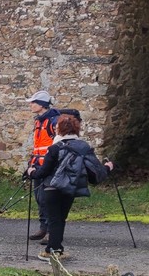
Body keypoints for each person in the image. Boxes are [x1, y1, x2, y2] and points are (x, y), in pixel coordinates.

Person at [25, 113, 113, 262]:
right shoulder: (83, 147)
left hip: (51, 188)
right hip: (70, 188)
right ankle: (57, 249)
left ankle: (52, 251)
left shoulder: (54, 148)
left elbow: (43, 172)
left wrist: (31, 172)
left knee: (54, 219)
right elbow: (95, 172)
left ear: (58, 129)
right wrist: (108, 167)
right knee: (61, 219)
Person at [25, 89, 62, 242]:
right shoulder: (39, 121)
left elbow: (59, 144)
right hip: (38, 166)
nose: (31, 105)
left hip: (50, 166)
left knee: (48, 199)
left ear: (41, 105)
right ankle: (43, 227)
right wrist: (32, 163)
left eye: (33, 103)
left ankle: (51, 231)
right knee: (39, 198)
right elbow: (38, 146)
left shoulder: (54, 121)